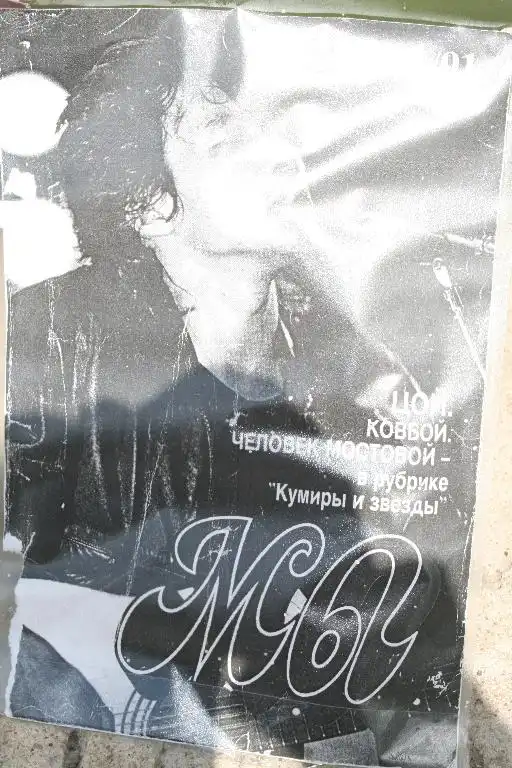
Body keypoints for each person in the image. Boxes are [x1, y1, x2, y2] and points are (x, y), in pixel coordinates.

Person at [3, 9, 469, 765]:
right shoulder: (53, 338)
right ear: (149, 199)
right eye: (220, 126)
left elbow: (418, 657)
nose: (284, 148)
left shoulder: (383, 361)